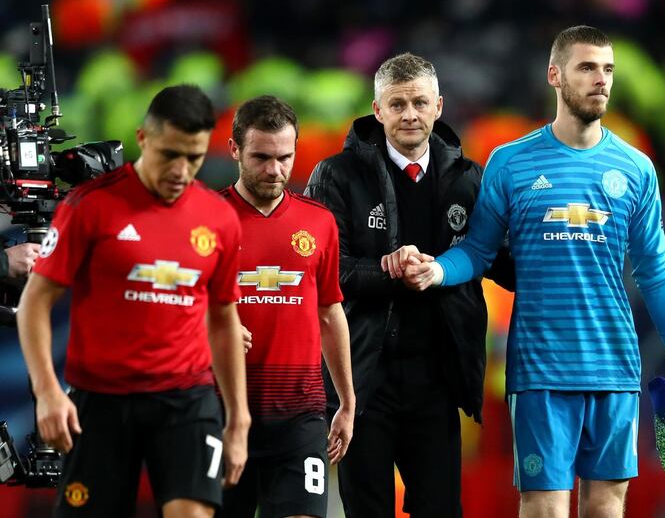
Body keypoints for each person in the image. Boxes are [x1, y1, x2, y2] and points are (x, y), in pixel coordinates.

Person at [390, 26, 665, 518]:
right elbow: (477, 252)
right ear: (555, 76)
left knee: (606, 504)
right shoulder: (511, 163)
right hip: (540, 370)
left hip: (615, 368)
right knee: (543, 505)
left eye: (607, 70)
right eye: (586, 68)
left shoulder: (637, 169)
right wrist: (437, 270)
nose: (600, 80)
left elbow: (656, 272)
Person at [16, 84, 250, 518]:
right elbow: (35, 301)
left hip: (187, 399)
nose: (181, 170)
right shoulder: (90, 206)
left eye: (194, 158)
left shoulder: (219, 219)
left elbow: (223, 319)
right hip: (101, 401)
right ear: (143, 139)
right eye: (169, 154)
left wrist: (238, 419)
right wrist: (47, 391)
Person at [305, 52, 512, 518]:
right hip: (362, 382)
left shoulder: (470, 180)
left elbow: (501, 263)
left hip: (436, 382)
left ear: (439, 106)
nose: (410, 115)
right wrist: (389, 270)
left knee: (441, 510)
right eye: (397, 105)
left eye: (419, 102)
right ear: (377, 111)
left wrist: (565, 249)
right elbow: (327, 275)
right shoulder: (336, 176)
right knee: (368, 510)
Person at [219, 95, 355, 518]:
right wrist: (207, 331)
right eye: (261, 157)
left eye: (284, 157)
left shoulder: (319, 222)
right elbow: (170, 308)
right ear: (234, 149)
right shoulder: (204, 218)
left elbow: (331, 314)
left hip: (300, 416)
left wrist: (347, 402)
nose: (274, 170)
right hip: (218, 411)